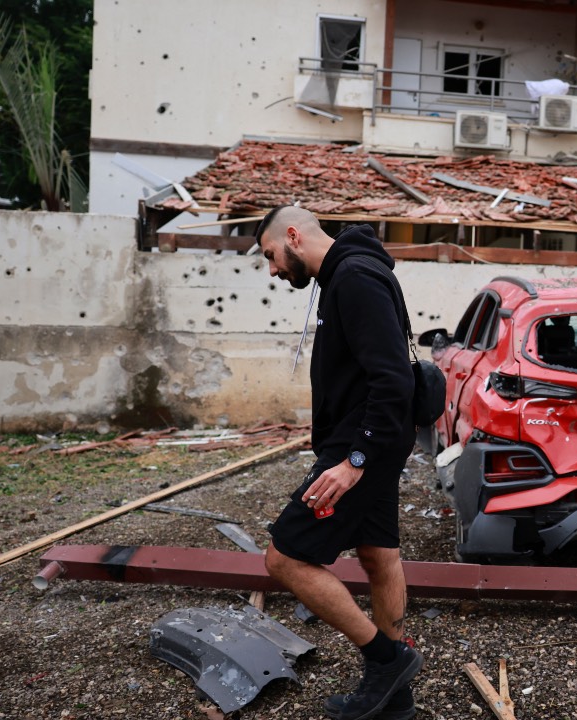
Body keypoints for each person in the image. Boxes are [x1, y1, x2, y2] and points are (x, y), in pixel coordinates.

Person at [255, 206, 422, 720]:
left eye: (270, 256)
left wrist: (353, 460)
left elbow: (393, 379)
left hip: (362, 446)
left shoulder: (353, 279)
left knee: (284, 558)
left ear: (292, 235)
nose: (273, 270)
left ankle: (386, 660)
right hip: (373, 441)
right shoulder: (349, 274)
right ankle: (394, 700)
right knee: (378, 555)